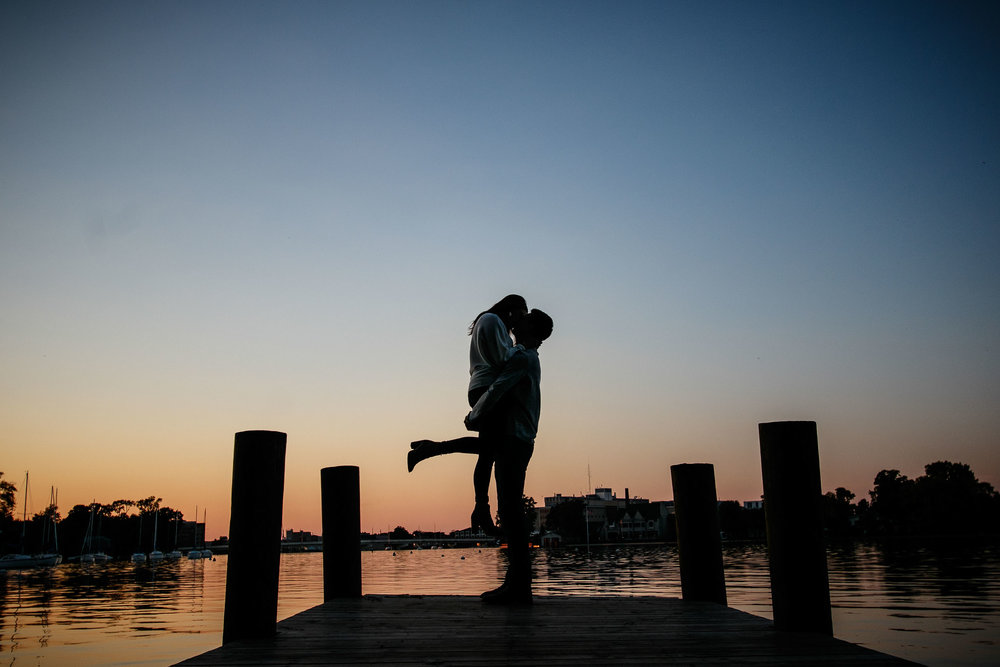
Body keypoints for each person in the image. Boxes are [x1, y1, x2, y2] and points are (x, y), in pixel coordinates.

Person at [408, 294, 528, 535]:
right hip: (487, 389)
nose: (522, 321)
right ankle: (431, 449)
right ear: (513, 310)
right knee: (490, 450)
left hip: (484, 387)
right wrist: (522, 350)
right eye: (522, 315)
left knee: (488, 452)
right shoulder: (492, 321)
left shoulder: (497, 326)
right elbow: (502, 359)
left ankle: (481, 509)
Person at [466, 308, 553, 605]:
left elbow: (497, 388)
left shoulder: (521, 358)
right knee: (511, 509)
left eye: (525, 319)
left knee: (512, 511)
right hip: (520, 439)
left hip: (514, 439)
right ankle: (516, 582)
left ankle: (519, 585)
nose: (518, 320)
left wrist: (473, 414)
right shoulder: (529, 358)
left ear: (532, 330)